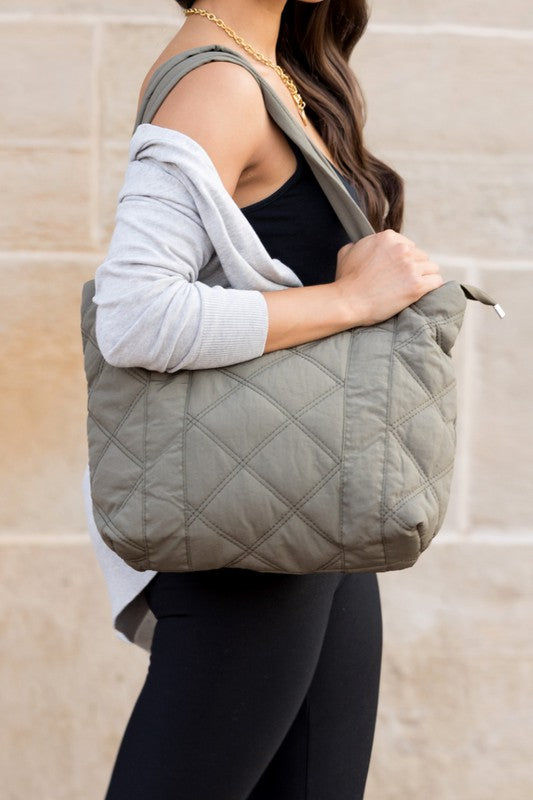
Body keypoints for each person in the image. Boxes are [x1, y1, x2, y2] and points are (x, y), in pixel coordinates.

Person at [83, 1, 444, 797]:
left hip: (307, 503)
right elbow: (136, 318)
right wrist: (351, 301)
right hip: (246, 522)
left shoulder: (267, 69)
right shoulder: (216, 82)